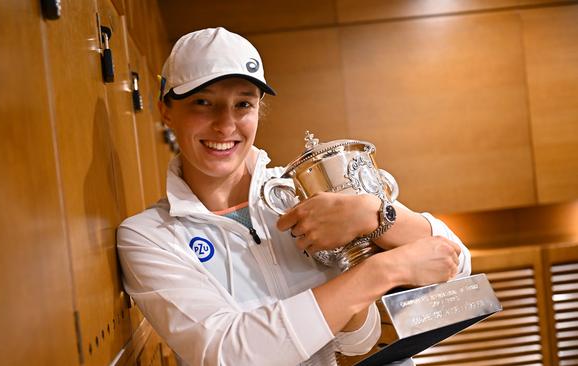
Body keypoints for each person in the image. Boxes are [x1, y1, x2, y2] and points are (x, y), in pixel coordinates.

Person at [117, 27, 471, 366]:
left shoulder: (300, 193)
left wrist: (374, 214)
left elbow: (457, 266)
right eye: (203, 103)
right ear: (166, 109)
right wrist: (381, 271)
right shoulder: (151, 237)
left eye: (243, 105)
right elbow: (228, 353)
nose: (226, 125)